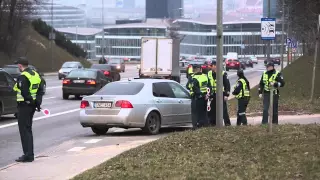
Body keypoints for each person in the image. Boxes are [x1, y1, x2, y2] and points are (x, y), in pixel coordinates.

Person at [13, 57, 44, 162]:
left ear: (20, 66)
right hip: (31, 107)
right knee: (28, 130)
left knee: (24, 131)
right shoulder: (35, 74)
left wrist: (30, 101)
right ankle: (29, 154)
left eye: (18, 65)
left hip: (24, 106)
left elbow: (25, 92)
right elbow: (41, 90)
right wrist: (37, 103)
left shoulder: (23, 76)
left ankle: (28, 155)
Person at [207, 61, 231, 126]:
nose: (211, 67)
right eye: (211, 66)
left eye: (212, 66)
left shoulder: (223, 73)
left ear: (215, 66)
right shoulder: (209, 73)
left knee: (223, 110)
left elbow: (227, 85)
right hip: (213, 94)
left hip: (221, 94)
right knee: (212, 110)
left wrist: (226, 95)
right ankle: (213, 124)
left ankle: (227, 124)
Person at [186, 64, 210, 129]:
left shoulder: (193, 77)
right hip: (204, 98)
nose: (193, 70)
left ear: (195, 69)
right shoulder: (205, 76)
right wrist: (207, 95)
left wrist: (200, 93)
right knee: (203, 113)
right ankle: (204, 125)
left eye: (194, 69)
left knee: (195, 114)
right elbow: (209, 86)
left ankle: (196, 127)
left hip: (196, 98)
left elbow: (189, 86)